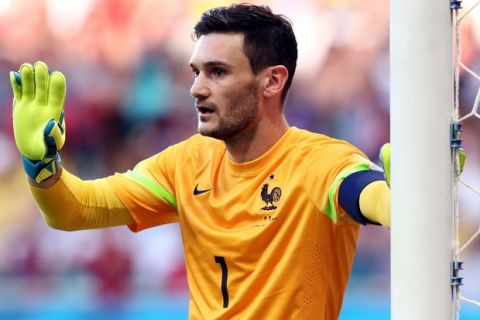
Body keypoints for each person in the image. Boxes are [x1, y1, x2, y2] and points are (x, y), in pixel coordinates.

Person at [9, 3, 391, 319]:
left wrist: (402, 200)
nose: (196, 88)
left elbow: (368, 194)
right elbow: (73, 212)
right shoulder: (185, 163)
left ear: (272, 81)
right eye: (197, 72)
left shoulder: (320, 161)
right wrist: (40, 162)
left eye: (218, 72)